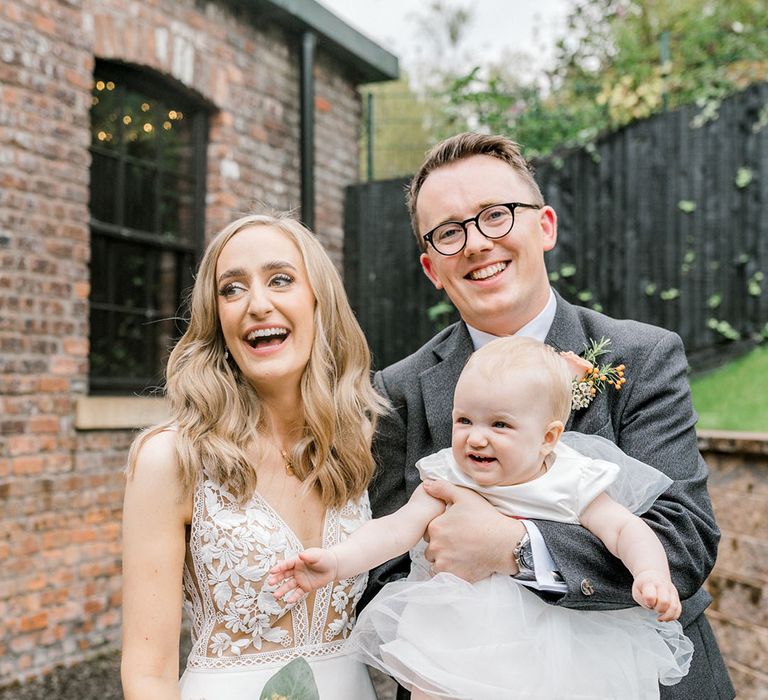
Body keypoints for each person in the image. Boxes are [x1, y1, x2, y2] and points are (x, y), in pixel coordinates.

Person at [364, 133, 734, 699]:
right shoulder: (398, 390)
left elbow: (682, 542)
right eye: (449, 232)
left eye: (496, 215)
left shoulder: (642, 356)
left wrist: (514, 548)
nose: (476, 243)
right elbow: (384, 574)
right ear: (431, 266)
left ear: (545, 226)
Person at [270, 336, 694, 699]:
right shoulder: (449, 475)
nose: (476, 436)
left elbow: (624, 528)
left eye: (500, 425)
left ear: (548, 437)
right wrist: (338, 561)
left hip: (558, 641)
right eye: (464, 419)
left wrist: (650, 573)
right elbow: (396, 528)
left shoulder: (571, 480)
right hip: (458, 633)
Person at [120, 213, 387, 700]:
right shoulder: (172, 458)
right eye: (232, 289)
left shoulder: (357, 444)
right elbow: (147, 672)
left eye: (280, 279)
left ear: (318, 300)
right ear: (216, 319)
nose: (256, 305)